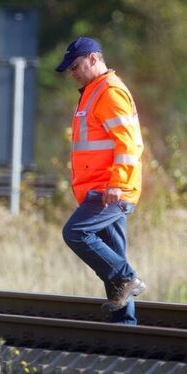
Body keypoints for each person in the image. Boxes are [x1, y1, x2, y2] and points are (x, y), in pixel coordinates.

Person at [56, 37, 145, 324]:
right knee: (112, 257)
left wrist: (117, 183)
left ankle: (127, 276)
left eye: (76, 65)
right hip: (100, 190)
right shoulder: (92, 92)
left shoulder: (109, 92)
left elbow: (128, 145)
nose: (72, 72)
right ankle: (124, 329)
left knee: (76, 233)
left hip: (111, 191)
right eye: (70, 68)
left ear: (94, 58)